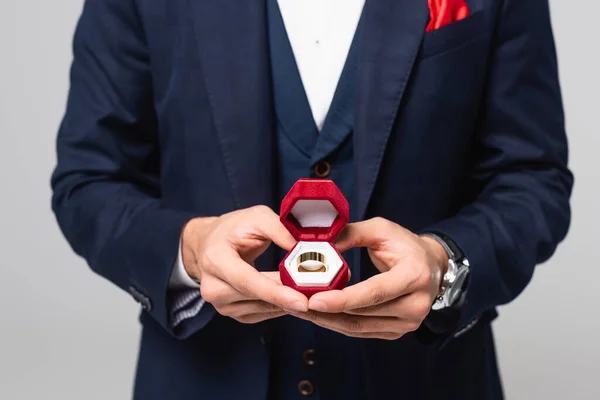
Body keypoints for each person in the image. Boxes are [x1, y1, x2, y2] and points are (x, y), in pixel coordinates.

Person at [51, 0, 572, 398]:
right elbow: (88, 181)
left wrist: (444, 264)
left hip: (425, 380)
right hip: (202, 378)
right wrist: (190, 249)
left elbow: (532, 177)